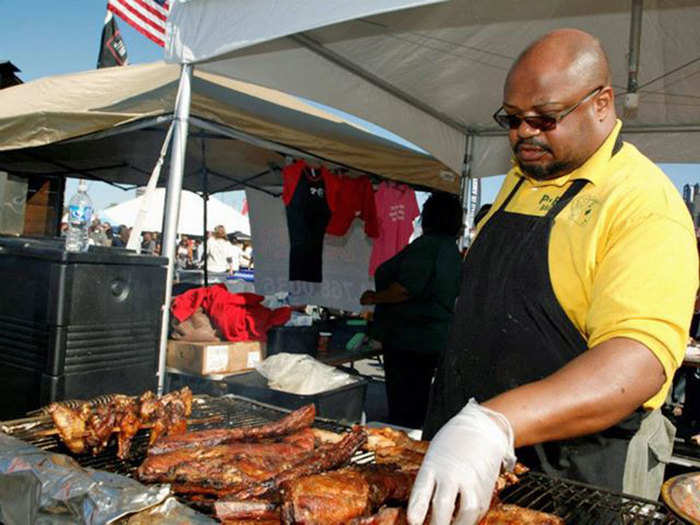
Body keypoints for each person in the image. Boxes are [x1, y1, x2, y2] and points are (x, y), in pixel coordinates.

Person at [408, 29, 698, 525]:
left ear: (602, 103)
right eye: (512, 119)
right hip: (472, 453)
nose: (524, 133)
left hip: (573, 473)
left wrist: (494, 424)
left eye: (544, 118)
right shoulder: (522, 179)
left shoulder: (643, 205)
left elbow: (636, 363)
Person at [360, 192, 462, 429]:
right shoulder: (450, 249)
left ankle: (403, 453)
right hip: (432, 339)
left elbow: (405, 289)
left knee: (404, 409)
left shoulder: (428, 246)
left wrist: (374, 297)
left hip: (410, 339)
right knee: (418, 405)